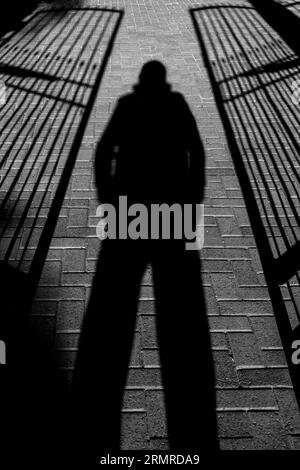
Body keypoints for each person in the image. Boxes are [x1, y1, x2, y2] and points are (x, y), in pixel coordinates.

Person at [72, 61, 218, 455]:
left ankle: (97, 398)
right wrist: (194, 201)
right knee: (180, 309)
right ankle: (189, 403)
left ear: (141, 83)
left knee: (114, 307)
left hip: (130, 209)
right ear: (164, 82)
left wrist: (108, 202)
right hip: (172, 209)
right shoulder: (178, 104)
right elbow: (198, 152)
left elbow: (103, 154)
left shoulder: (125, 104)